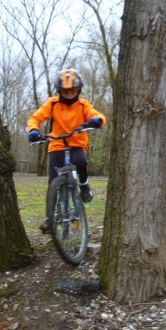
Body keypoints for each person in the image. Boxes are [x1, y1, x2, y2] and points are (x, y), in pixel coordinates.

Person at [27, 68, 106, 233]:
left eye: (72, 91)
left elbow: (94, 114)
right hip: (56, 145)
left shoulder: (83, 104)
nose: (69, 94)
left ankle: (83, 185)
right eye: (65, 91)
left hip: (76, 143)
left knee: (81, 161)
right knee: (52, 182)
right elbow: (36, 117)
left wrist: (96, 120)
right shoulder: (52, 103)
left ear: (78, 90)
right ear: (59, 91)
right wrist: (33, 130)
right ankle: (51, 217)